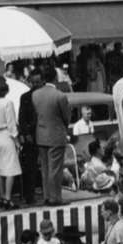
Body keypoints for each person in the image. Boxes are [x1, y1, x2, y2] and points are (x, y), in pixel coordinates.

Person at [31, 63, 70, 206]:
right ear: (55, 78)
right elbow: (66, 117)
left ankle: (47, 196)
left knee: (45, 168)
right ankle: (56, 197)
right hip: (56, 134)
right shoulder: (60, 95)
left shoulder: (35, 95)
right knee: (56, 169)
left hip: (41, 134)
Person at [0, 77, 21, 208]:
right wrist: (16, 140)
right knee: (11, 168)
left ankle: (1, 196)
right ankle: (7, 197)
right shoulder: (8, 102)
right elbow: (12, 124)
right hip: (6, 135)